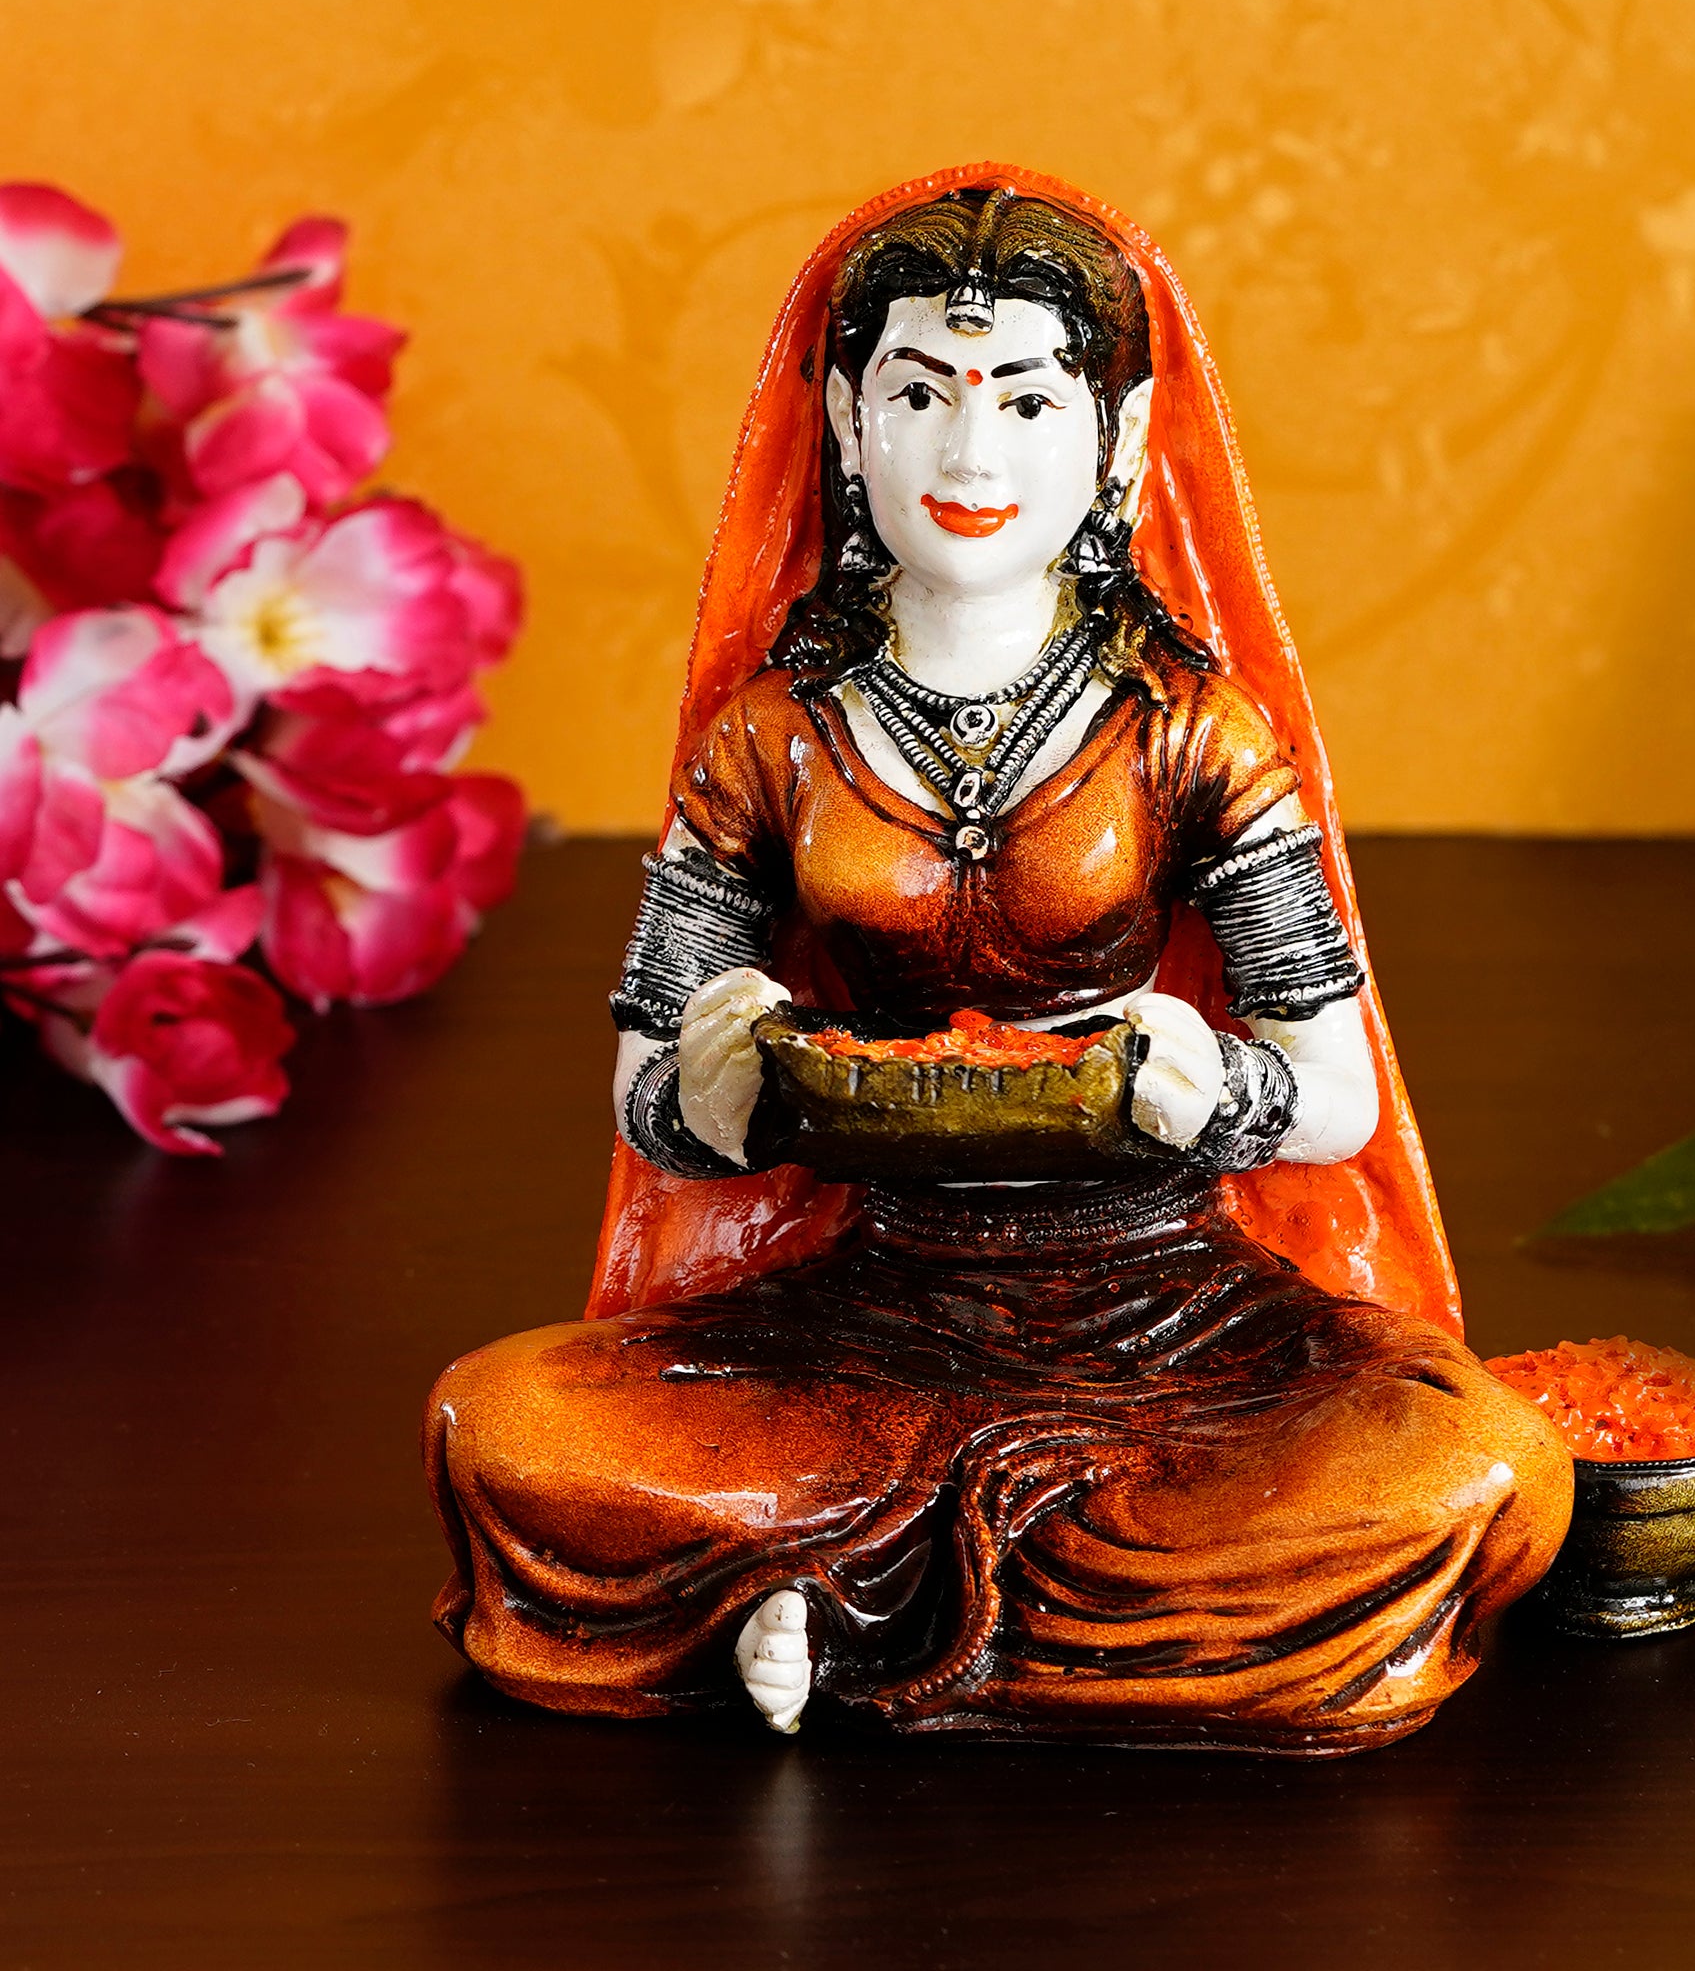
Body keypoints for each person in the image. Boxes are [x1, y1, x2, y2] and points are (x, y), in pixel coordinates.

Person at [425, 166, 1571, 1756]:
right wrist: (717, 1087)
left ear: (1118, 434)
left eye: (1028, 402)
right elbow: (646, 1098)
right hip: (869, 1311)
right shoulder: (772, 735)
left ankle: (838, 1599)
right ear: (846, 421)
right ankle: (1049, 1622)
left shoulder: (1192, 730)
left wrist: (1213, 1088)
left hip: (1172, 1314)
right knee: (505, 1419)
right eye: (920, 395)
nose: (971, 456)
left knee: (1474, 1460)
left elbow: (1338, 1097)